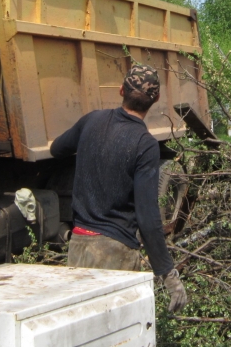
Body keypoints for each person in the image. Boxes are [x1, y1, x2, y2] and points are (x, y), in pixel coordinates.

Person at [50, 64, 188, 312]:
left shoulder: (91, 120)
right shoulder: (145, 145)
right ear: (155, 99)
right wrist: (168, 274)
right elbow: (147, 216)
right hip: (115, 254)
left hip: (79, 247)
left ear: (120, 90)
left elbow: (57, 149)